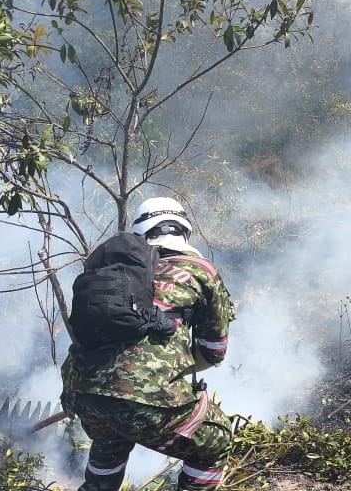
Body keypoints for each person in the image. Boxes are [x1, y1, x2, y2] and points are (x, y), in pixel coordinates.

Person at [60, 197, 237, 491]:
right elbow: (213, 351)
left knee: (110, 437)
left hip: (80, 391)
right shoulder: (199, 270)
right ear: (183, 231)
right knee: (216, 440)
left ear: (141, 233)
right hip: (145, 401)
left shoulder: (112, 268)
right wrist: (171, 368)